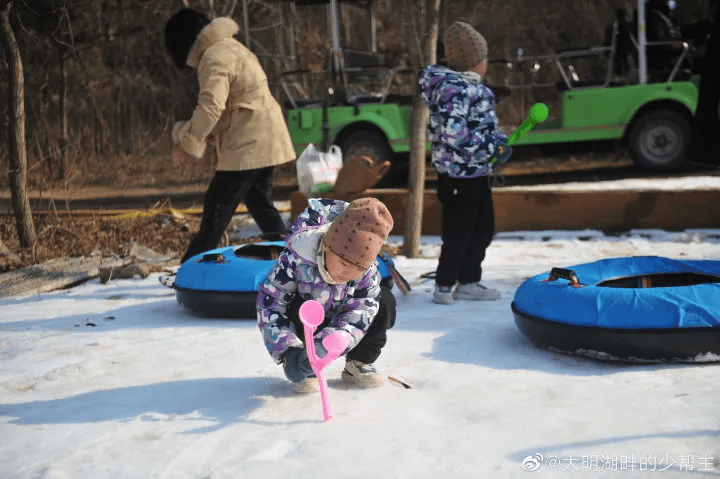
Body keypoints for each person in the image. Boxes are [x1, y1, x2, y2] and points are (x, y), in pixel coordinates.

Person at [164, 9, 296, 263]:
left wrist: (184, 141)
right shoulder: (230, 48)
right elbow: (230, 105)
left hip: (249, 143)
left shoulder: (214, 57)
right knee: (260, 204)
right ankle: (290, 260)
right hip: (265, 137)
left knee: (216, 207)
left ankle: (193, 268)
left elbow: (211, 107)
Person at [256, 197, 396, 393]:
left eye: (359, 269)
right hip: (306, 321)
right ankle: (304, 364)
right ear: (327, 247)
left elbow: (361, 312)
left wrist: (334, 341)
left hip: (340, 316)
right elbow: (270, 304)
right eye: (345, 264)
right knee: (298, 307)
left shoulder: (367, 273)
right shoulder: (296, 259)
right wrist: (287, 350)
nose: (349, 274)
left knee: (383, 301)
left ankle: (358, 361)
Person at [419, 21, 511, 305]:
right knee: (459, 231)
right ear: (474, 62)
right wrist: (488, 147)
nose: (486, 63)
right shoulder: (454, 90)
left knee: (483, 228)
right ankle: (445, 284)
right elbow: (454, 133)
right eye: (484, 58)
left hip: (476, 173)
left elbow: (478, 126)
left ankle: (469, 280)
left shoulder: (470, 89)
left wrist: (497, 142)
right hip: (459, 176)